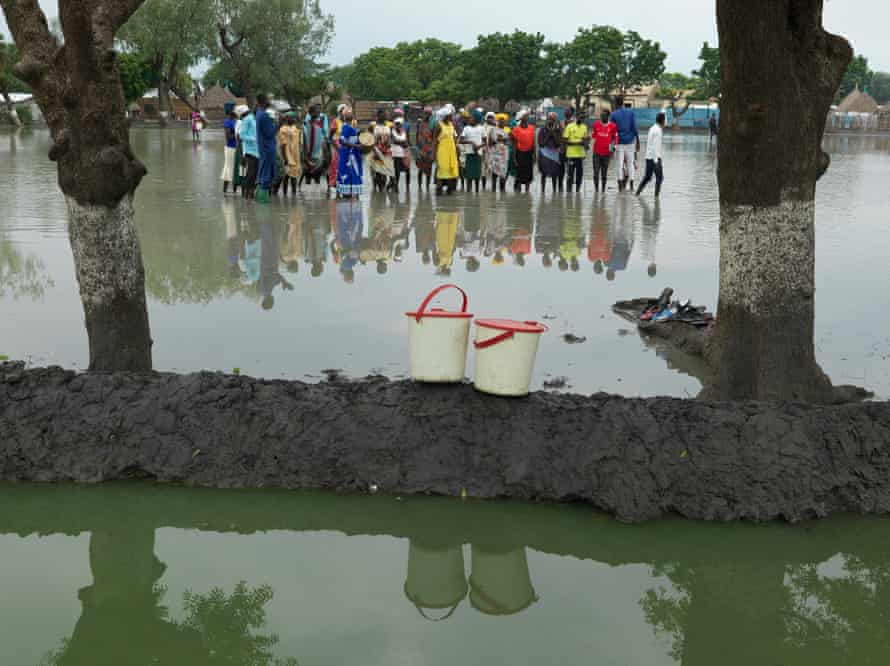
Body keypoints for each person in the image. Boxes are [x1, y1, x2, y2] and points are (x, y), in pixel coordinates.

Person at [611, 96, 639, 192]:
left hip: (619, 143)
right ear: (623, 102)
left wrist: (612, 146)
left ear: (615, 103)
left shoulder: (614, 114)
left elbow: (612, 131)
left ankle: (620, 186)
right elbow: (635, 128)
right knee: (630, 164)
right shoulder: (631, 112)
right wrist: (637, 141)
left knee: (619, 165)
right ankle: (631, 186)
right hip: (630, 142)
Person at [255, 95, 278, 203]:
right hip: (267, 148)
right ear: (264, 101)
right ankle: (263, 202)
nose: (270, 101)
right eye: (268, 99)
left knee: (264, 173)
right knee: (266, 175)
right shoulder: (264, 115)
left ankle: (260, 201)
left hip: (263, 148)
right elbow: (270, 133)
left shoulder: (259, 113)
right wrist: (279, 124)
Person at [336, 107, 363, 200]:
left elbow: (352, 139)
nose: (349, 114)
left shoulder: (351, 127)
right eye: (347, 113)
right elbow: (342, 140)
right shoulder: (346, 127)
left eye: (350, 113)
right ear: (344, 116)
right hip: (348, 157)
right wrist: (355, 146)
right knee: (349, 178)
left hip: (352, 156)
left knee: (353, 178)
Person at [636, 112, 665, 197]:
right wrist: (656, 161)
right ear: (662, 121)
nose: (666, 122)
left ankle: (637, 193)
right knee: (660, 178)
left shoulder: (653, 128)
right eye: (665, 120)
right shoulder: (658, 130)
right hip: (655, 158)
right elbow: (655, 146)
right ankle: (656, 197)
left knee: (648, 177)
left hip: (649, 157)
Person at [302, 103, 330, 186]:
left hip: (314, 142)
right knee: (325, 159)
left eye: (319, 108)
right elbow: (324, 130)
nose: (318, 110)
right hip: (315, 142)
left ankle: (311, 177)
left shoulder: (322, 116)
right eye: (317, 109)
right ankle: (322, 172)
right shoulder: (317, 118)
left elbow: (325, 129)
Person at [434, 106, 459, 195]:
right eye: (450, 115)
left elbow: (454, 138)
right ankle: (438, 193)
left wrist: (457, 150)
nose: (452, 117)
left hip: (451, 153)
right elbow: (435, 141)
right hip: (442, 153)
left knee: (451, 174)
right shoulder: (439, 126)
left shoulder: (452, 125)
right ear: (445, 116)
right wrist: (434, 155)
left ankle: (449, 196)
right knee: (441, 173)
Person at [370, 109, 396, 193]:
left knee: (386, 172)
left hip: (387, 151)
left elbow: (392, 137)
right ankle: (378, 190)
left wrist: (390, 142)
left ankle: (383, 190)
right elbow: (369, 138)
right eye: (384, 115)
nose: (385, 116)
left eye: (386, 115)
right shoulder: (373, 126)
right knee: (377, 172)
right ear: (379, 116)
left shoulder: (389, 125)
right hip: (376, 151)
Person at [592, 109, 617, 193]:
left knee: (604, 173)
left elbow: (614, 138)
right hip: (596, 153)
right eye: (601, 115)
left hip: (606, 154)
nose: (602, 117)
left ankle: (603, 190)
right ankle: (596, 191)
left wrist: (613, 149)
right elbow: (594, 136)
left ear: (608, 116)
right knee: (596, 172)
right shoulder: (596, 124)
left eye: (604, 115)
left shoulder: (613, 126)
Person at [563, 111, 588, 192]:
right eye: (581, 117)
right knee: (570, 174)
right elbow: (565, 141)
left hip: (580, 155)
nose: (582, 119)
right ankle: (569, 191)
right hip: (571, 155)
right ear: (576, 116)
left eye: (583, 118)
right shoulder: (569, 126)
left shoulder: (584, 127)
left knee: (579, 174)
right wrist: (577, 143)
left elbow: (585, 141)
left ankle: (577, 191)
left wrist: (586, 143)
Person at [511, 110, 536, 193]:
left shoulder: (532, 128)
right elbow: (514, 144)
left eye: (527, 116)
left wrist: (534, 155)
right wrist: (514, 158)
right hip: (519, 153)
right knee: (519, 174)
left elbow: (533, 142)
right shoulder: (516, 129)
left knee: (528, 174)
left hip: (529, 154)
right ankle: (518, 192)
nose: (527, 117)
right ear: (521, 118)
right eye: (525, 116)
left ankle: (527, 192)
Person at [537, 112, 562, 193]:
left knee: (555, 175)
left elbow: (558, 144)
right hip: (544, 154)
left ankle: (554, 191)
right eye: (550, 119)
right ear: (547, 119)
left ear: (555, 120)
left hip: (554, 155)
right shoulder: (542, 129)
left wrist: (553, 134)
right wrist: (548, 135)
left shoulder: (558, 130)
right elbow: (541, 144)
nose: (551, 120)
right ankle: (542, 191)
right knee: (543, 174)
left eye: (553, 119)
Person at [278, 112, 302, 196]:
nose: (295, 120)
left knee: (294, 176)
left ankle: (294, 195)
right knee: (286, 176)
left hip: (295, 156)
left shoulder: (295, 129)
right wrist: (285, 159)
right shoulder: (283, 129)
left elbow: (298, 143)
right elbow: (283, 145)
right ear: (287, 119)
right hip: (287, 156)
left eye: (295, 118)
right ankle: (284, 194)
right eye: (293, 118)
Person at [460, 113, 484, 193]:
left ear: (477, 119)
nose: (470, 119)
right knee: (469, 176)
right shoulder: (466, 128)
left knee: (477, 176)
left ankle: (477, 192)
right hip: (469, 154)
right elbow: (461, 140)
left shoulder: (481, 128)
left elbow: (485, 141)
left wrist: (479, 147)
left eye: (472, 118)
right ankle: (468, 192)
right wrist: (471, 142)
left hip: (478, 154)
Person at [485, 113, 509, 192]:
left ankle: (502, 191)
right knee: (494, 175)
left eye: (503, 121)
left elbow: (508, 142)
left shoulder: (507, 130)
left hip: (504, 155)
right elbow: (489, 143)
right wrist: (498, 139)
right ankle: (493, 192)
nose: (502, 123)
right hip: (494, 155)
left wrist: (502, 139)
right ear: (497, 122)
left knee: (503, 174)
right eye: (500, 121)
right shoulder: (493, 130)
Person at [239, 106, 259, 199]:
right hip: (250, 150)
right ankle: (246, 194)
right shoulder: (247, 119)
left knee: (255, 173)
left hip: (257, 150)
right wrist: (254, 139)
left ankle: (251, 193)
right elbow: (242, 135)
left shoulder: (255, 119)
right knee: (251, 172)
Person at [415, 107, 435, 191]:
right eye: (426, 113)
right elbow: (417, 135)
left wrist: (433, 149)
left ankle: (427, 186)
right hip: (421, 148)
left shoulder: (433, 124)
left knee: (428, 169)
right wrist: (417, 148)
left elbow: (434, 136)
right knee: (420, 168)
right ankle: (419, 187)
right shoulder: (420, 123)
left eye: (429, 114)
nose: (427, 115)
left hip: (429, 148)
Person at [391, 116, 411, 192]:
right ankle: (396, 187)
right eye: (397, 124)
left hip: (405, 153)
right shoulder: (392, 131)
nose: (398, 125)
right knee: (397, 171)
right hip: (396, 154)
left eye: (399, 124)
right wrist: (403, 143)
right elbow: (394, 140)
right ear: (395, 124)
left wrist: (404, 143)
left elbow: (406, 141)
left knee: (408, 170)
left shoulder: (403, 131)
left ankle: (408, 187)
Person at [221, 109, 238, 195]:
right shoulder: (227, 122)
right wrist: (237, 134)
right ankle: (225, 191)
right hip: (230, 148)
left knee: (236, 169)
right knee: (228, 168)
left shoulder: (236, 121)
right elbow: (228, 137)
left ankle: (234, 191)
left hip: (236, 148)